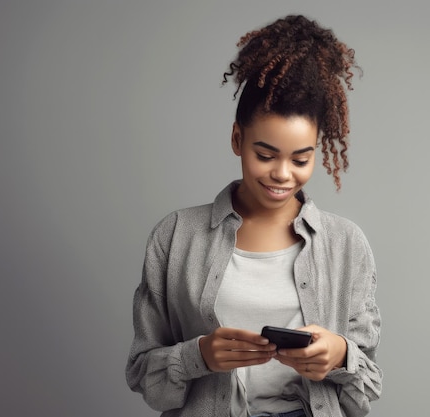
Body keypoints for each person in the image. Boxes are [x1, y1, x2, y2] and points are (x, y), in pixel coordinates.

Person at [126, 14, 382, 417]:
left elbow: (365, 392)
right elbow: (146, 377)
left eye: (301, 159)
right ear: (236, 139)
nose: (282, 174)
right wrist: (200, 355)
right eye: (265, 155)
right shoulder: (176, 236)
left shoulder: (346, 244)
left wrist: (339, 354)